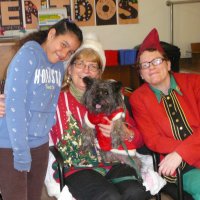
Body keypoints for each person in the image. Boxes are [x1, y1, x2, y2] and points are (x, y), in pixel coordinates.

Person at [45, 33, 151, 200]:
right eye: (80, 63)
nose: (86, 70)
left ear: (99, 73)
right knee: (109, 196)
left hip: (115, 162)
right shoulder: (53, 99)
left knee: (135, 192)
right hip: (78, 167)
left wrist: (124, 131)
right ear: (70, 68)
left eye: (93, 66)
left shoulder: (116, 98)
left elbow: (139, 140)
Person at [0, 18, 83, 200]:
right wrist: (21, 152)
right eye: (63, 44)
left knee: (33, 197)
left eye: (70, 51)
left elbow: (49, 105)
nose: (64, 53)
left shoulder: (59, 68)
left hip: (39, 144)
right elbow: (16, 107)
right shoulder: (29, 55)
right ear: (52, 34)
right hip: (12, 144)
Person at [130, 28, 200, 200]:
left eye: (156, 61)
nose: (151, 68)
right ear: (140, 73)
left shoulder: (194, 82)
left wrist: (183, 151)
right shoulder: (138, 98)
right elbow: (153, 139)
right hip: (175, 164)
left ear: (168, 65)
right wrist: (181, 155)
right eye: (144, 65)